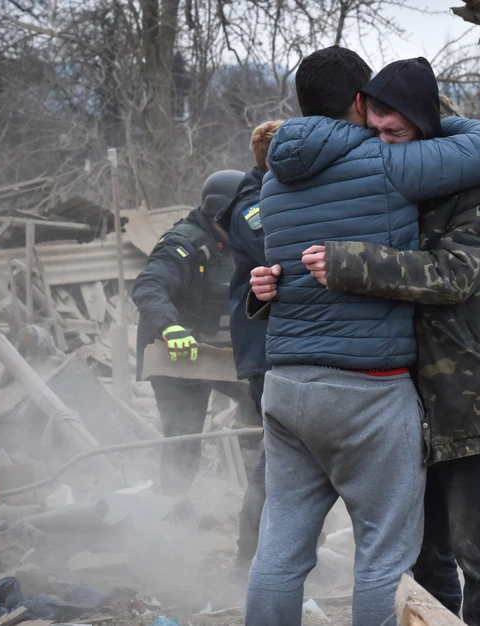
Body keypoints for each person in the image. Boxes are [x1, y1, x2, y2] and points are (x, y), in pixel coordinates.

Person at [244, 48, 480, 626]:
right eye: (374, 116)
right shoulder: (386, 166)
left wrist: (273, 286)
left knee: (280, 552)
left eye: (394, 123)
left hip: (309, 384)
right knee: (388, 559)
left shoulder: (272, 181)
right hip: (371, 389)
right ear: (357, 104)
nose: (382, 131)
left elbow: (455, 274)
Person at [132, 170, 261, 495]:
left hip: (224, 353)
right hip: (178, 354)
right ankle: (173, 505)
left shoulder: (249, 240)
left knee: (261, 405)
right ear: (221, 212)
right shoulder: (182, 243)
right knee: (184, 434)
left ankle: (254, 493)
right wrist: (169, 327)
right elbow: (149, 286)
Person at [214, 121, 283, 572]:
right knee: (277, 460)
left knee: (291, 462)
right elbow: (274, 248)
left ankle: (285, 557)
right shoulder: (251, 205)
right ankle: (249, 559)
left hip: (281, 347)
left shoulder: (273, 197)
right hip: (266, 351)